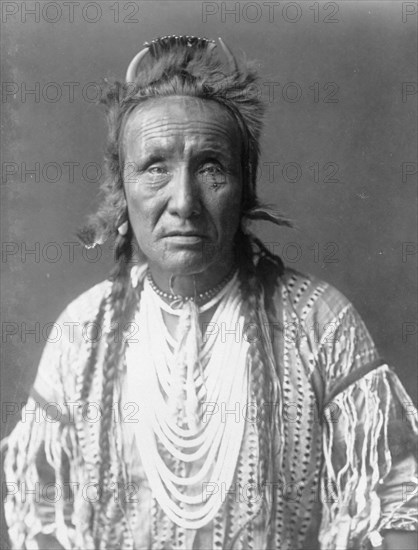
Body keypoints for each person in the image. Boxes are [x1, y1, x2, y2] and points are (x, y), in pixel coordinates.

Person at [3, 35, 417, 550]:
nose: (184, 202)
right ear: (122, 190)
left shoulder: (320, 322)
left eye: (210, 168)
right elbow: (42, 515)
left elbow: (393, 500)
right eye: (156, 166)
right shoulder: (81, 334)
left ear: (245, 186)